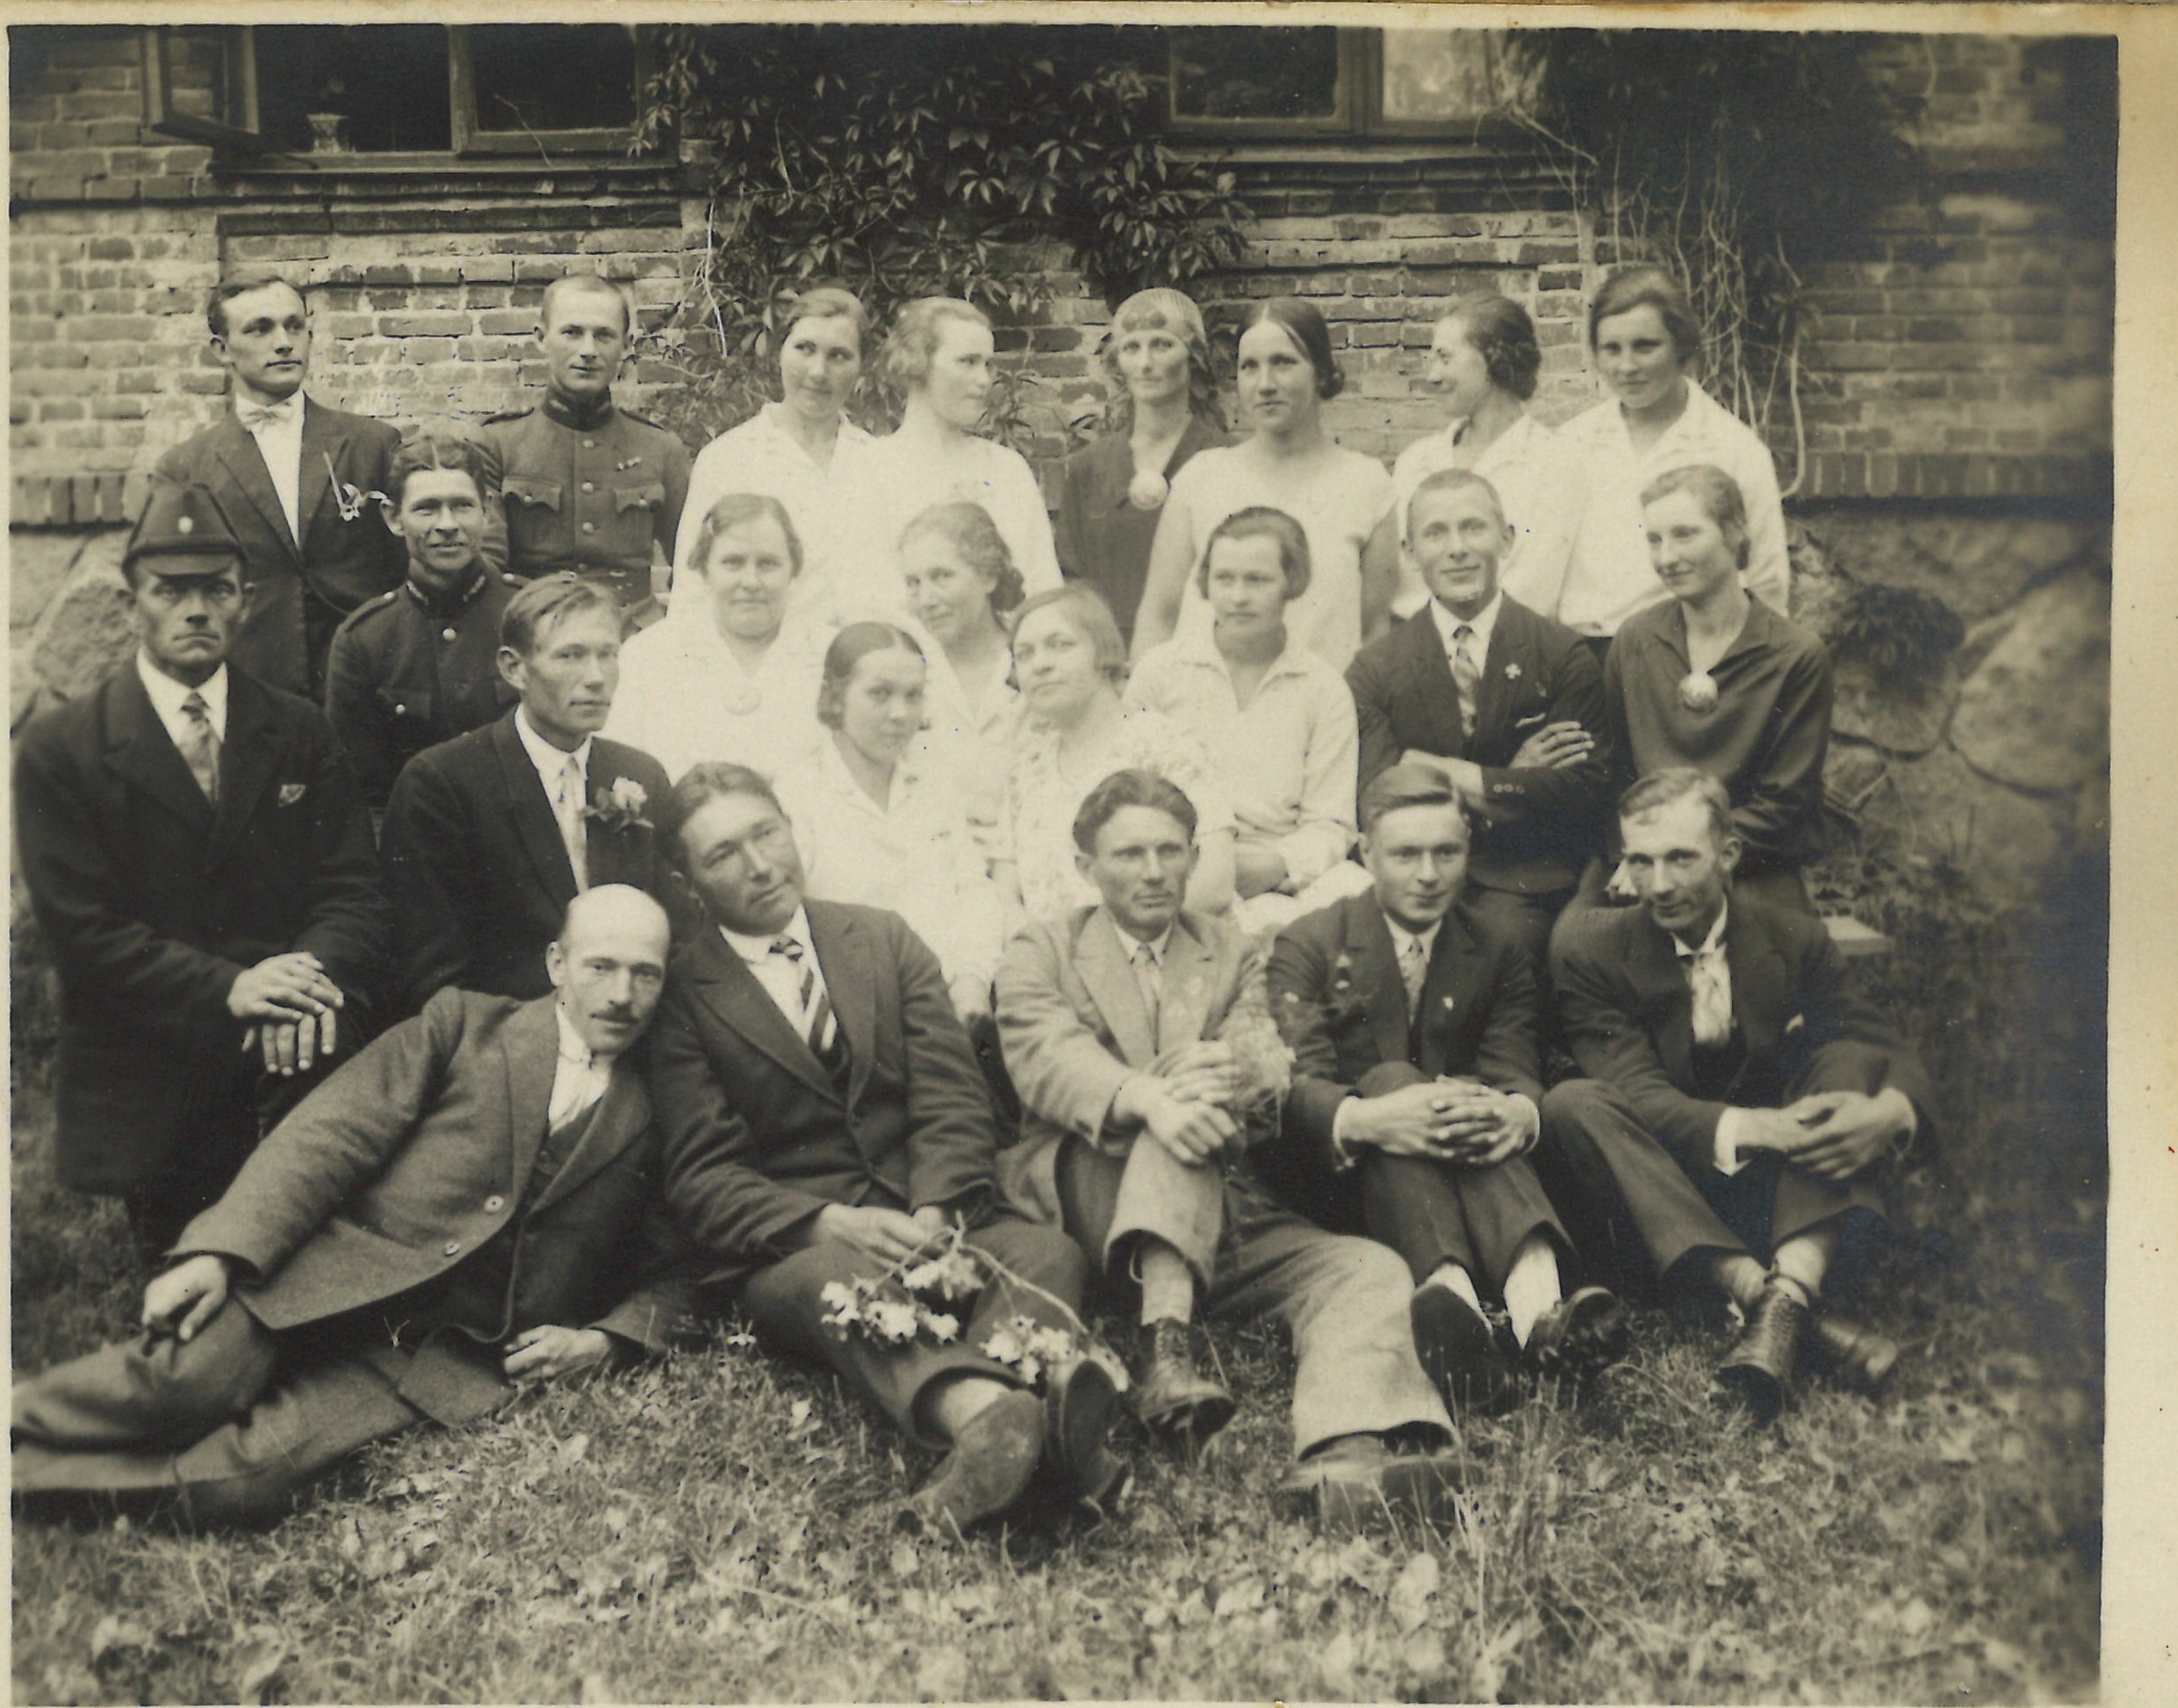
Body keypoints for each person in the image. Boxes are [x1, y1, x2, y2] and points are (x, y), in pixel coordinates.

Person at [13, 887, 693, 1529]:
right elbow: (329, 1137)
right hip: (317, 1276)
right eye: (600, 966)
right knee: (176, 1387)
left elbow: (680, 1271)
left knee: (245, 1479)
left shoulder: (663, 1111)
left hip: (429, 1357)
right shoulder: (464, 1025)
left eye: (646, 974)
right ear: (556, 964)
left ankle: (25, 1483)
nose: (621, 995)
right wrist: (219, 1253)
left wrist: (604, 1341)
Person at [649, 764, 1125, 1532]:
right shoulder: (683, 994)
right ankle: (987, 1412)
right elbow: (704, 1176)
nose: (761, 865)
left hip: (935, 1220)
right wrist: (827, 1223)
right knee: (833, 1286)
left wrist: (936, 1210)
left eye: (766, 833)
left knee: (1044, 1253)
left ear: (792, 828)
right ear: (687, 881)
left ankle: (1009, 1441)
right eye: (723, 855)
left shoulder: (880, 937)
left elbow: (952, 1094)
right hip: (808, 1250)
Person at [995, 769, 1468, 1526]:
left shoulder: (1232, 948)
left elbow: (1265, 1064)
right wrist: (1153, 1093)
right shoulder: (1042, 948)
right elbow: (1044, 1055)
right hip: (1093, 1197)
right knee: (1175, 1118)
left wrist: (1220, 1075)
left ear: (1194, 857)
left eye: (1170, 851)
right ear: (1085, 867)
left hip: (1217, 1199)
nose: (1153, 872)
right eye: (1128, 855)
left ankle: (1347, 1448)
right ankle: (1164, 1350)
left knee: (1361, 1267)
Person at [13, 482, 387, 1255]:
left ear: (245, 603)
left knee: (317, 1258)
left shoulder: (298, 729)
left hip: (293, 1036)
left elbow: (351, 888)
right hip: (156, 1039)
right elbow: (84, 932)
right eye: (171, 591)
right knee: (189, 1270)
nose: (196, 611)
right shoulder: (63, 749)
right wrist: (233, 989)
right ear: (130, 606)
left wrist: (303, 982)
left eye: (216, 590)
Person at [1542, 770, 1930, 1423]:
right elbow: (1634, 1091)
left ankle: (1791, 1281)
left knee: (1846, 1057)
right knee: (1572, 1103)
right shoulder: (1590, 947)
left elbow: (1876, 1041)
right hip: (1659, 1202)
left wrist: (1890, 1113)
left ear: (1728, 855)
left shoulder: (1793, 936)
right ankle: (1772, 1300)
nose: (1658, 884)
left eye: (1680, 858)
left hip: (1771, 1196)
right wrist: (1757, 1127)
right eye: (1640, 861)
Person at [1262, 765, 1626, 1415]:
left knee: (1476, 1100)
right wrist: (1373, 1118)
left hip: (1468, 1164)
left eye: (1446, 853)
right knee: (1393, 1080)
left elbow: (1513, 1062)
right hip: (1347, 1180)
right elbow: (1298, 1086)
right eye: (1406, 855)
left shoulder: (1497, 945)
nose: (1428, 875)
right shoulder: (1310, 942)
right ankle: (1456, 1303)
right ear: (1366, 853)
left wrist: (1517, 1110)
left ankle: (1539, 1316)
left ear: (1468, 851)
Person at [1347, 469, 1610, 968]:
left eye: (1473, 528)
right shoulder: (1375, 668)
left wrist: (1450, 773)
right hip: (1411, 873)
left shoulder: (1560, 653)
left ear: (1506, 539)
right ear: (1410, 553)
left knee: (1498, 944)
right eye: (1436, 533)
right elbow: (1378, 796)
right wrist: (1514, 778)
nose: (1457, 549)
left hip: (1521, 876)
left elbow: (1583, 792)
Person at [382, 576, 677, 1009]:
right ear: (513, 668)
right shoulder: (443, 784)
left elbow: (676, 931)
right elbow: (432, 974)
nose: (596, 678)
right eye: (570, 656)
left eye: (608, 654)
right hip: (506, 1028)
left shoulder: (640, 775)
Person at [1576, 463, 1832, 922]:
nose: (1666, 557)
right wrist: (1641, 857)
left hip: (1745, 861)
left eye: (1685, 535)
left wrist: (1685, 858)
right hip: (1640, 855)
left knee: (1760, 947)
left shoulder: (1795, 655)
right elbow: (1613, 771)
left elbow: (1785, 805)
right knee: (1576, 939)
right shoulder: (1635, 640)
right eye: (1655, 540)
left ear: (1735, 532)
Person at [149, 270, 404, 698]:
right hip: (249, 685)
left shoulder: (373, 445)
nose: (284, 342)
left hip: (364, 683)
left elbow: (402, 572)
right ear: (222, 349)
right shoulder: (185, 469)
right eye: (260, 329)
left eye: (294, 326)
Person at [1129, 506, 1363, 938]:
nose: (1238, 597)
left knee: (1357, 898)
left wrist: (1277, 865)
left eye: (1257, 580)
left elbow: (1331, 823)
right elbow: (1128, 794)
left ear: (1292, 583)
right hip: (1178, 870)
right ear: (1206, 583)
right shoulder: (1159, 674)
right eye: (1224, 578)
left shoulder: (1323, 689)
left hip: (1281, 875)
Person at [1131, 298, 1397, 671]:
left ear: (1320, 372)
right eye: (1250, 367)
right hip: (1204, 700)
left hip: (1320, 703)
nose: (1265, 384)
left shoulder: (1366, 484)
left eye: (1283, 363)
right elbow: (1159, 616)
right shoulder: (1201, 477)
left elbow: (1375, 632)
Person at [775, 623, 1003, 1022]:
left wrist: (973, 979)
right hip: (852, 1015)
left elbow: (973, 891)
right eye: (879, 694)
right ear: (835, 698)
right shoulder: (798, 796)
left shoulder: (935, 784)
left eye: (913, 695)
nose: (900, 714)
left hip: (951, 1005)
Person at [1557, 265, 1790, 652]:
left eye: (1645, 346)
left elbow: (1766, 581)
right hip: (1582, 655)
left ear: (1681, 346)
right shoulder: (1571, 443)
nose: (1627, 367)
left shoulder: (1733, 449)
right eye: (1612, 349)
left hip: (1685, 656)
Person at [1004, 584, 1235, 926]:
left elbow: (1214, 882)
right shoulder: (1027, 765)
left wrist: (1106, 947)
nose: (1040, 665)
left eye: (1060, 645)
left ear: (1104, 653)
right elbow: (1008, 877)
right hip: (1053, 953)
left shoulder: (1165, 745)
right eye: (1024, 654)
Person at [325, 430, 517, 817]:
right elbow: (362, 799)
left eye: (462, 506)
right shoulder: (365, 640)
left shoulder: (532, 615)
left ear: (486, 511)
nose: (447, 524)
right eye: (426, 508)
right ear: (394, 518)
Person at [480, 273, 693, 622]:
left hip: (631, 636)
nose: (589, 350)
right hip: (536, 632)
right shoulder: (498, 444)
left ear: (626, 344)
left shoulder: (661, 449)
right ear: (541, 338)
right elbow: (486, 569)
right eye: (572, 332)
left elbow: (692, 568)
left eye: (604, 335)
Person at [673, 284, 884, 628]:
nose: (818, 372)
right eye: (805, 349)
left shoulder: (878, 462)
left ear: (862, 366)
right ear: (780, 352)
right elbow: (692, 593)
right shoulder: (729, 458)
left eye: (839, 356)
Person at [1374, 292, 1578, 622]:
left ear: (1493, 359)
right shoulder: (1416, 461)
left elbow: (1536, 588)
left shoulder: (1555, 461)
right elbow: (1402, 581)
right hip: (1419, 644)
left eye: (1445, 358)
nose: (1432, 376)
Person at [604, 492, 830, 784]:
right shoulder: (647, 655)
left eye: (768, 564)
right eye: (733, 562)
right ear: (704, 569)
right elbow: (620, 774)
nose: (751, 581)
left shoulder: (832, 654)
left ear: (794, 570)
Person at [864, 298, 1063, 614]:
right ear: (917, 364)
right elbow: (865, 598)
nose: (984, 380)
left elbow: (1044, 591)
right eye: (967, 362)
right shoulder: (868, 468)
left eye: (987, 365)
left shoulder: (1006, 469)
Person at [1053, 288, 1228, 644]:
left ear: (1193, 354)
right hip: (1111, 657)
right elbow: (1072, 581)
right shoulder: (1090, 466)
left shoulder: (1226, 459)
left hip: (1202, 652)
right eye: (1132, 347)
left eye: (1162, 345)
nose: (1145, 363)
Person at [896, 501, 1026, 858]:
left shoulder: (1034, 655)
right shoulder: (905, 669)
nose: (926, 599)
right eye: (914, 583)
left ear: (988, 576)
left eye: (942, 576)